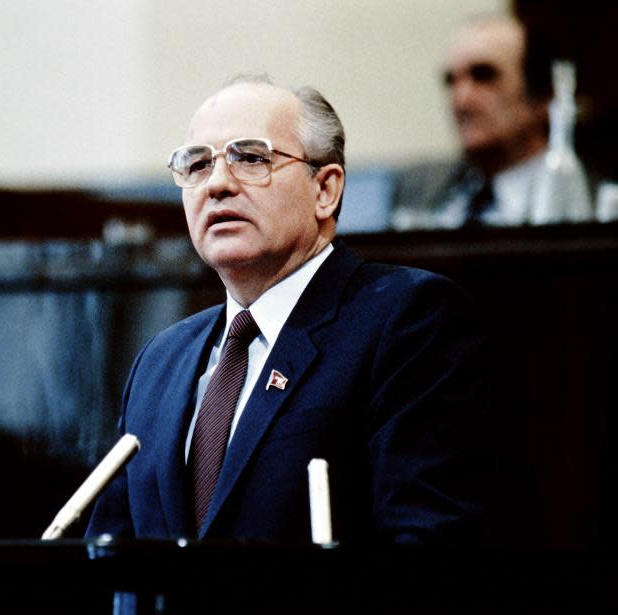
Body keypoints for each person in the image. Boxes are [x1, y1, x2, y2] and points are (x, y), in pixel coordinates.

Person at [87, 76, 488, 546]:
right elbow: (111, 563)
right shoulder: (160, 362)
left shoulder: (407, 320)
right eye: (196, 164)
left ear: (326, 190)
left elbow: (427, 541)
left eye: (251, 158)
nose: (216, 184)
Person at [390, 15, 552, 229]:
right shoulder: (419, 188)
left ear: (542, 97)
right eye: (451, 80)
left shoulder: (596, 202)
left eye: (483, 76)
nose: (460, 100)